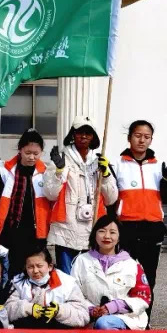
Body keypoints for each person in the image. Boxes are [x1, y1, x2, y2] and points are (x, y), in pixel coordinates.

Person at [111, 120, 167, 312]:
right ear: (129, 138)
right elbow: (110, 198)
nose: (142, 140)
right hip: (126, 228)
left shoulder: (158, 166)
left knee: (148, 279)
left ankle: (144, 320)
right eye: (138, 135)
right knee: (123, 277)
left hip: (152, 229)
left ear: (151, 140)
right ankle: (122, 318)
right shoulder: (117, 165)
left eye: (146, 137)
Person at [44, 115, 118, 273]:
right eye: (79, 132)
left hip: (92, 227)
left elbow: (111, 199)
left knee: (89, 276)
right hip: (66, 229)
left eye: (88, 133)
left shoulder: (100, 161)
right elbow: (50, 194)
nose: (83, 136)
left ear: (93, 137)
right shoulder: (61, 158)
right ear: (73, 134)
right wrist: (59, 171)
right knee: (66, 277)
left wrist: (106, 174)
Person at [71, 215, 152, 330]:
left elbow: (143, 297)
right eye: (102, 231)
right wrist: (90, 309)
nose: (107, 236)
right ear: (94, 234)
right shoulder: (81, 260)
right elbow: (73, 293)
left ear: (119, 237)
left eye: (112, 232)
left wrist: (115, 306)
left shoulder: (132, 264)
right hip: (88, 317)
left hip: (124, 318)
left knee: (104, 323)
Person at [0, 129, 49, 276]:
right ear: (20, 150)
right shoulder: (6, 172)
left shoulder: (45, 173)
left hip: (35, 230)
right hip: (10, 229)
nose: (32, 157)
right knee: (10, 268)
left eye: (36, 153)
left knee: (32, 269)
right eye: (28, 153)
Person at [5, 248, 88, 329]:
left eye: (39, 266)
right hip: (26, 331)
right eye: (30, 267)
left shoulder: (68, 283)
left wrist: (59, 311)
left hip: (58, 332)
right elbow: (6, 310)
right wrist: (27, 308)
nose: (35, 271)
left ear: (50, 266)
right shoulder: (17, 282)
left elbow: (83, 316)